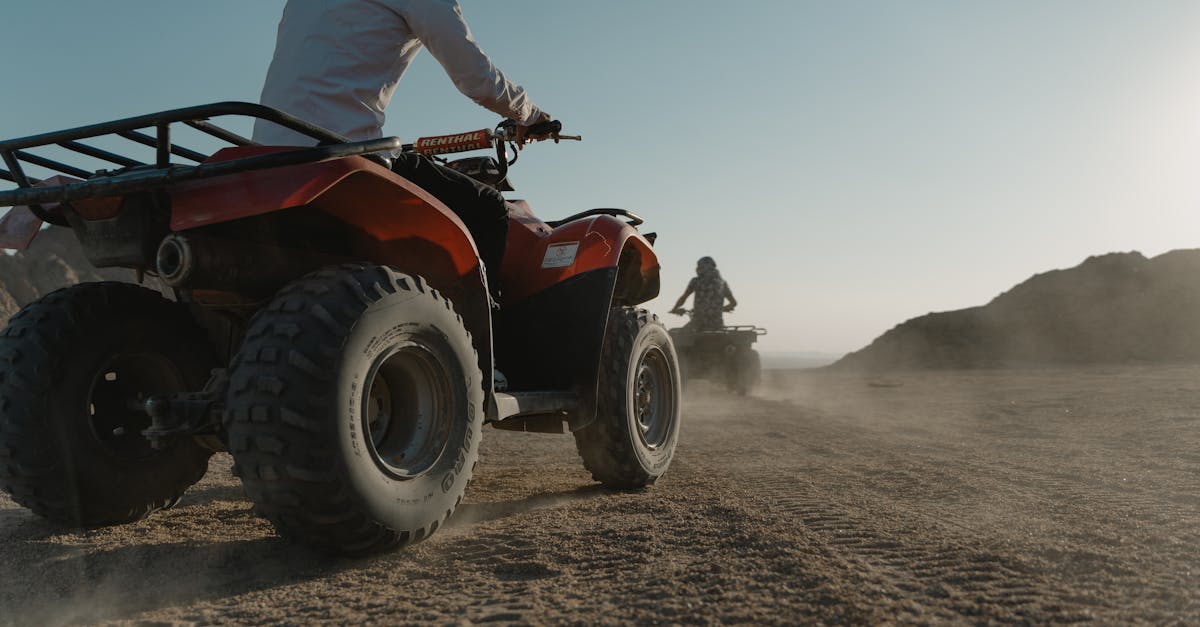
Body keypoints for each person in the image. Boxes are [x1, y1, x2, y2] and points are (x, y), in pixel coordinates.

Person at [251, 0, 556, 294]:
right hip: (340, 152)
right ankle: (472, 327)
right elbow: (476, 78)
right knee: (487, 207)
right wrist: (529, 115)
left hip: (265, 155)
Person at [671, 256, 737, 331]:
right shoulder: (722, 283)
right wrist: (720, 309)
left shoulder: (696, 281)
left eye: (700, 266)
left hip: (698, 324)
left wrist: (674, 309)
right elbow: (733, 303)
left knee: (676, 335)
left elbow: (683, 298)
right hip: (717, 325)